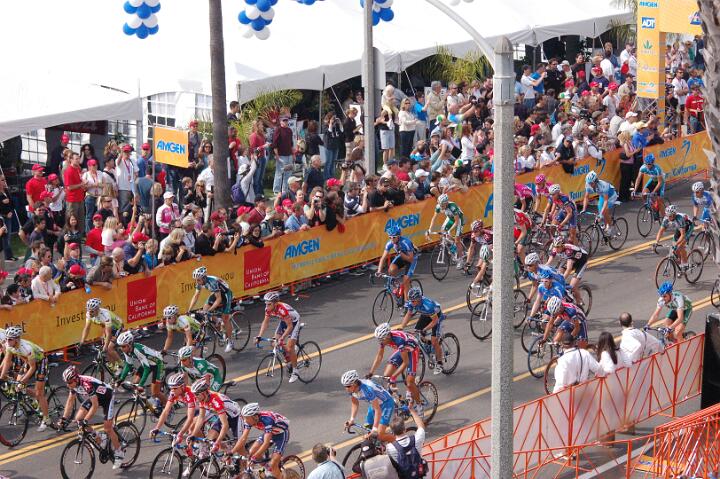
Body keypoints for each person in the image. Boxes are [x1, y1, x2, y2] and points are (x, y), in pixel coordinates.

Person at [59, 366, 124, 469]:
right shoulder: (73, 385)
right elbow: (70, 401)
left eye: (70, 382)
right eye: (66, 383)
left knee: (108, 428)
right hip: (96, 398)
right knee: (79, 419)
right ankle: (99, 437)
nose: (68, 385)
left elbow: (95, 406)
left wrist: (86, 420)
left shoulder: (86, 384)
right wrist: (63, 418)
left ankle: (119, 452)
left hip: (107, 398)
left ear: (75, 379)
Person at [0, 326, 51, 431]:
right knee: (18, 387)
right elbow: (7, 362)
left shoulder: (26, 348)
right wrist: (1, 377)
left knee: (39, 393)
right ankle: (34, 400)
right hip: (28, 362)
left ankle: (46, 419)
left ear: (17, 339)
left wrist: (22, 381)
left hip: (41, 362)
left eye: (10, 339)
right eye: (7, 339)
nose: (7, 341)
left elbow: (33, 368)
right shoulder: (9, 346)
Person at [232, 402, 290, 479]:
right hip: (269, 433)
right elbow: (243, 438)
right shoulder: (249, 421)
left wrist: (255, 457)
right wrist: (231, 452)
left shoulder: (267, 420)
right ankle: (266, 468)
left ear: (255, 416)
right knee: (251, 451)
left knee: (273, 463)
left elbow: (266, 443)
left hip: (281, 435)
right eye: (244, 418)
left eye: (247, 418)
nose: (245, 420)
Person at [368, 323, 422, 406]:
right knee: (387, 376)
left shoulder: (399, 341)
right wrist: (371, 372)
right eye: (379, 339)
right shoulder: (384, 339)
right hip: (402, 350)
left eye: (381, 339)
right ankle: (399, 399)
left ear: (388, 336)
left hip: (412, 351)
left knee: (410, 383)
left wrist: (394, 377)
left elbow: (406, 362)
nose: (380, 342)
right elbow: (379, 356)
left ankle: (419, 405)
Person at [188, 379, 243, 457]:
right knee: (211, 439)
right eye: (194, 394)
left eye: (196, 394)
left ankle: (248, 460)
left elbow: (225, 425)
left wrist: (217, 442)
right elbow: (201, 418)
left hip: (236, 418)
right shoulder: (202, 399)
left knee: (240, 449)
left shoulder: (216, 400)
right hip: (224, 415)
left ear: (204, 393)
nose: (195, 397)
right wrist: (193, 435)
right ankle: (227, 450)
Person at [187, 266, 236, 353]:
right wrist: (189, 309)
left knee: (225, 318)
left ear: (203, 278)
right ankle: (218, 321)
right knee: (205, 309)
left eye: (198, 280)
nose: (197, 282)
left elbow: (219, 299)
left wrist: (209, 311)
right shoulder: (200, 282)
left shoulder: (213, 281)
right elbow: (196, 296)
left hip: (226, 294)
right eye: (196, 280)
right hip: (216, 293)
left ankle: (230, 341)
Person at [256, 291, 301, 383]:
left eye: (269, 304)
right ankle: (288, 358)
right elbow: (265, 322)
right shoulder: (268, 309)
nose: (267, 307)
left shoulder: (282, 309)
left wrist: (282, 338)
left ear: (275, 303)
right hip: (284, 320)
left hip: (293, 322)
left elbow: (290, 326)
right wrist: (259, 336)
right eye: (266, 304)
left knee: (289, 348)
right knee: (273, 343)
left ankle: (295, 371)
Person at [399, 287, 446, 375]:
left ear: (419, 299)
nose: (411, 303)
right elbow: (408, 314)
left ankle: (440, 363)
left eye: (413, 301)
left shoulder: (428, 305)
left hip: (436, 317)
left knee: (434, 341)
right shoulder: (412, 303)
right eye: (410, 300)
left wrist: (424, 329)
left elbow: (434, 321)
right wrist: (401, 327)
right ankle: (429, 345)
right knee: (417, 333)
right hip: (425, 315)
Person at [340, 370, 396, 443]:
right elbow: (355, 403)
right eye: (345, 386)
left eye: (348, 386)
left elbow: (377, 410)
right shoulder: (352, 390)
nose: (346, 388)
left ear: (355, 384)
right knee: (367, 428)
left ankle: (398, 441)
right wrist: (351, 419)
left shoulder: (367, 389)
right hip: (374, 404)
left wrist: (375, 429)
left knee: (379, 435)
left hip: (386, 403)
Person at [115, 330, 167, 407]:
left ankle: (169, 406)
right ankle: (149, 403)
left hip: (157, 365)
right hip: (147, 363)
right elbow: (128, 365)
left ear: (130, 344)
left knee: (155, 392)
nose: (121, 349)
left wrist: (141, 384)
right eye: (120, 346)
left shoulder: (138, 350)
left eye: (123, 346)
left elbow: (147, 369)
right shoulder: (127, 350)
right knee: (135, 384)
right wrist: (121, 379)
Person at [150, 372, 197, 445]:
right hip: (194, 408)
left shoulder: (189, 394)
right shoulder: (173, 393)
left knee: (191, 429)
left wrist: (180, 434)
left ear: (182, 387)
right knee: (188, 430)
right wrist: (157, 428)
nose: (172, 390)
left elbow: (190, 418)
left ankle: (202, 446)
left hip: (204, 410)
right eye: (171, 388)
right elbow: (166, 411)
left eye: (175, 388)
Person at [377, 226, 417, 302]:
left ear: (398, 236)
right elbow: (383, 258)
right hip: (402, 256)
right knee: (391, 270)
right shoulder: (390, 243)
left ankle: (407, 303)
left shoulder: (406, 242)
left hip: (411, 259)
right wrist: (379, 271)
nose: (392, 239)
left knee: (405, 280)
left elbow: (410, 259)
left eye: (394, 237)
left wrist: (400, 253)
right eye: (390, 237)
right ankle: (398, 286)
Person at [547, 237, 589, 308]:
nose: (556, 249)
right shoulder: (556, 247)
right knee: (559, 272)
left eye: (558, 247)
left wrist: (562, 279)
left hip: (581, 262)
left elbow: (569, 269)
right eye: (555, 247)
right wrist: (545, 266)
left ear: (562, 246)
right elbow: (550, 259)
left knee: (573, 286)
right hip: (572, 260)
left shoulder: (569, 251)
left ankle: (579, 301)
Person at [426, 194, 465, 269]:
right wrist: (429, 229)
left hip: (458, 220)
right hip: (450, 218)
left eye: (443, 205)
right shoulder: (438, 206)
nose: (441, 207)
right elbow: (434, 218)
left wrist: (449, 230)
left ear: (446, 203)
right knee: (442, 233)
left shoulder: (452, 207)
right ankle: (453, 247)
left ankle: (461, 259)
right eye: (440, 205)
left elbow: (456, 222)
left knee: (457, 240)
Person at [80, 298, 123, 364]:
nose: (90, 313)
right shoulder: (89, 314)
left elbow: (109, 333)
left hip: (117, 327)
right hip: (106, 327)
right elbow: (87, 328)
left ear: (97, 309)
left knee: (108, 348)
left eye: (92, 311)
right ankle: (113, 366)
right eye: (88, 310)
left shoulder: (105, 315)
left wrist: (106, 346)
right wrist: (82, 341)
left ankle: (122, 364)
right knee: (103, 349)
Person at [385, 408, 426, 479]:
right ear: (405, 429)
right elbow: (421, 426)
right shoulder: (416, 439)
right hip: (418, 475)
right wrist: (412, 410)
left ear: (393, 433)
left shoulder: (390, 447)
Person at [655, 205, 693, 271]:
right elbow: (661, 231)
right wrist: (656, 242)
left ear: (674, 215)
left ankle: (685, 264)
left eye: (670, 216)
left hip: (688, 226)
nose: (668, 217)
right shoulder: (666, 218)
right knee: (675, 247)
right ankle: (680, 266)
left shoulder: (680, 219)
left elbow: (682, 235)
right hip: (679, 227)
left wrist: (677, 244)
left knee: (680, 246)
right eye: (667, 215)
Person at [633, 153, 666, 218]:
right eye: (646, 163)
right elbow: (638, 178)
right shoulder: (643, 167)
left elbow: (659, 183)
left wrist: (653, 192)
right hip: (652, 180)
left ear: (653, 163)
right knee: (644, 194)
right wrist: (635, 190)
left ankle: (664, 218)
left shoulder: (657, 169)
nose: (647, 165)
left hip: (660, 182)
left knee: (659, 200)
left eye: (649, 164)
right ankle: (651, 208)